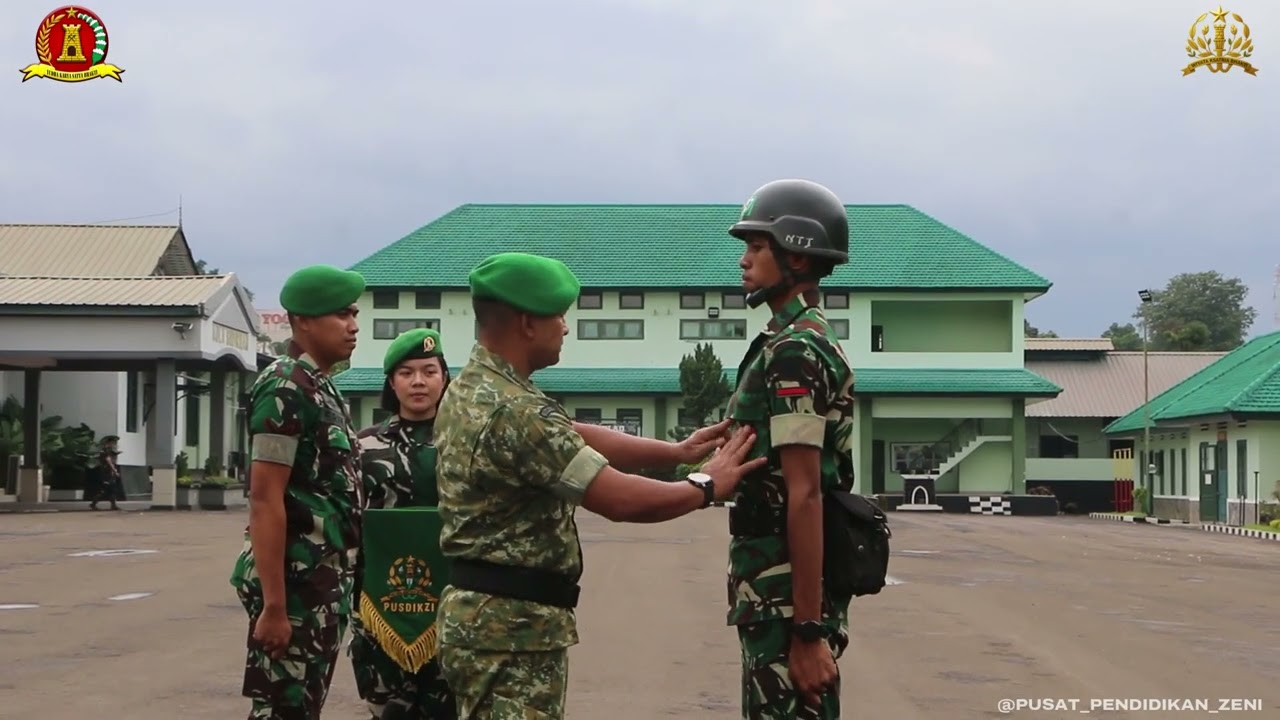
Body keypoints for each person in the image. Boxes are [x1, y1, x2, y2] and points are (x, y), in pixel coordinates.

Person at [433, 251, 768, 719]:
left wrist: (675, 452)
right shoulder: (517, 411)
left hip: (486, 622)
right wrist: (706, 485)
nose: (566, 328)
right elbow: (619, 499)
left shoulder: (479, 387)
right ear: (527, 323)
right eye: (560, 315)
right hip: (511, 631)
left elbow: (571, 434)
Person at [723, 178, 858, 719]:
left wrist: (807, 631)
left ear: (797, 255)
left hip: (785, 598)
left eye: (757, 247)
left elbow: (805, 494)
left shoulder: (794, 352)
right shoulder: (790, 342)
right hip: (776, 591)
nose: (744, 260)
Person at [229, 263, 367, 720]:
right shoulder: (286, 385)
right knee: (283, 710)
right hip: (296, 586)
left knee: (302, 708)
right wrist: (274, 606)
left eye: (353, 314)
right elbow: (265, 498)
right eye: (340, 315)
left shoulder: (319, 386)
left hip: (321, 583)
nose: (353, 325)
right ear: (303, 321)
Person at [349, 327, 457, 719]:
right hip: (380, 601)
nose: (418, 382)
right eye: (406, 372)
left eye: (429, 371)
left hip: (453, 603)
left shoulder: (464, 443)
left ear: (445, 378)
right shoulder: (363, 447)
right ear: (391, 383)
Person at [89, 435, 123, 510]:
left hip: (110, 473)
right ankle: (93, 503)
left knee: (112, 489)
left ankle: (113, 505)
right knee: (105, 490)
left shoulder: (111, 451)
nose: (115, 444)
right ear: (109, 443)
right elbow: (109, 462)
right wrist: (115, 471)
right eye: (113, 442)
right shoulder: (105, 451)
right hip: (106, 473)